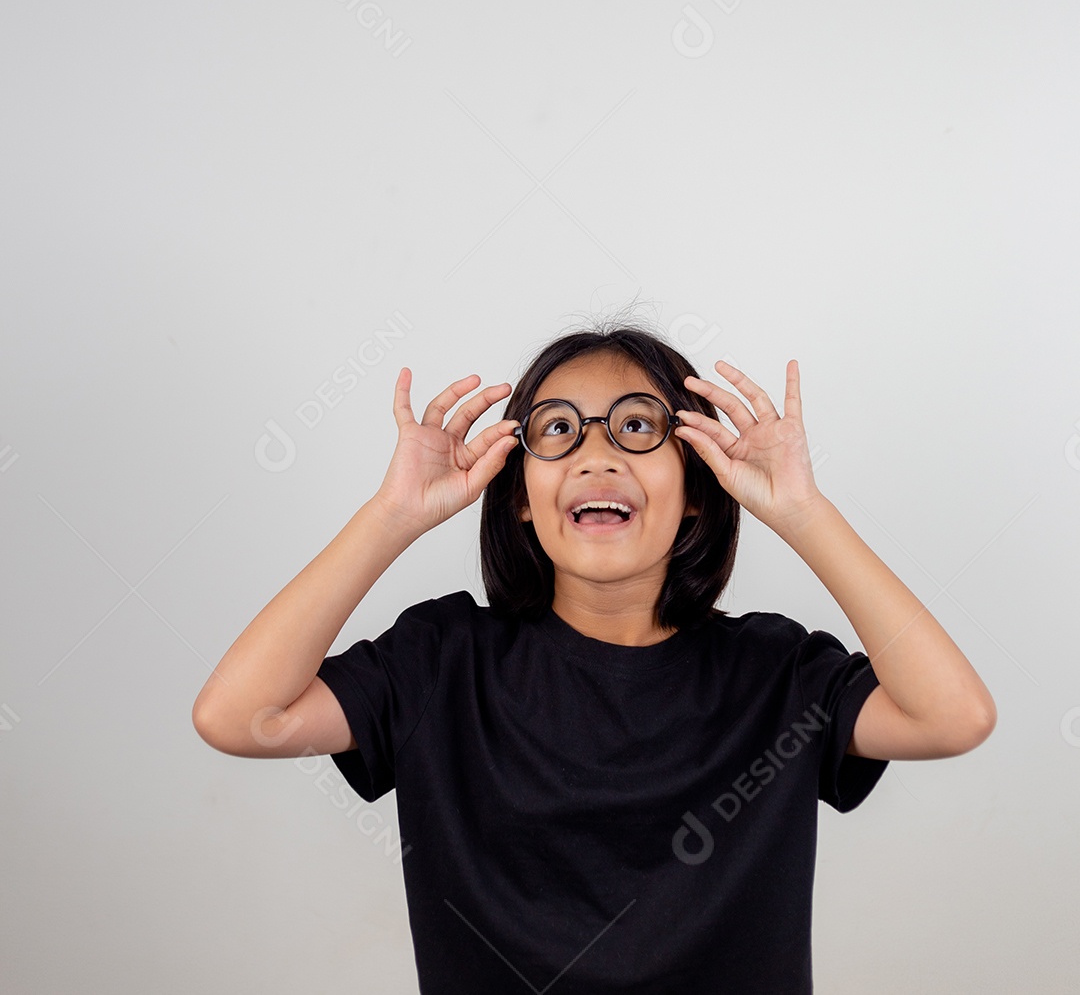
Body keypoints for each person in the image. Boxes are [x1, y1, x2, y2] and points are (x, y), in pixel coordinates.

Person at [192, 321, 997, 994]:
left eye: (639, 428)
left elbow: (953, 716)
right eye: (558, 430)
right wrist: (392, 515)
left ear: (697, 487)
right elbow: (240, 716)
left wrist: (805, 513)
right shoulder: (442, 662)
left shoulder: (775, 675)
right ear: (519, 491)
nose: (597, 453)